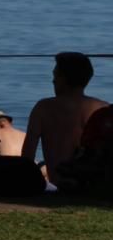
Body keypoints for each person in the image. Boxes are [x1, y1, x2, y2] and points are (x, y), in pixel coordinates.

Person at [21, 52, 108, 185]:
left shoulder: (43, 108)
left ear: (63, 79)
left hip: (60, 185)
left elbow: (28, 156)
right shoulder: (103, 108)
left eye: (55, 75)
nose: (53, 80)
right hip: (96, 186)